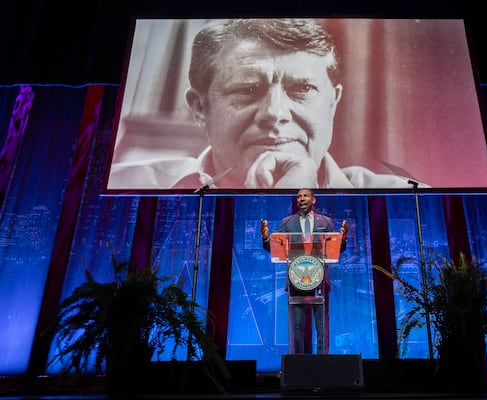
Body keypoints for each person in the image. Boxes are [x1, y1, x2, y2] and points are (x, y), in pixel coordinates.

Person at [108, 18, 427, 190]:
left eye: (302, 88)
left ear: (333, 102)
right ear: (199, 107)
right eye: (247, 89)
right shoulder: (124, 187)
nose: (275, 113)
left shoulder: (411, 201)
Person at [261, 188, 349, 354]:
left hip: (320, 279)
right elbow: (276, 249)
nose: (301, 199)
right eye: (299, 196)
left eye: (305, 196)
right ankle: (297, 364)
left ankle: (323, 365)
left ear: (313, 200)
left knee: (322, 325)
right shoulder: (287, 222)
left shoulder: (325, 222)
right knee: (297, 325)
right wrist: (266, 238)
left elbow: (335, 250)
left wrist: (342, 240)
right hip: (296, 279)